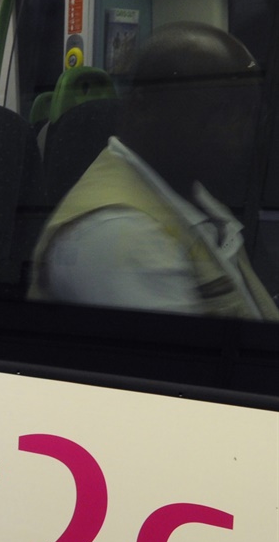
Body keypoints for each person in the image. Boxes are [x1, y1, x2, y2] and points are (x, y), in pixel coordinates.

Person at [29, 22, 279, 320]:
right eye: (219, 113)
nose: (239, 132)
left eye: (248, 115)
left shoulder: (190, 192)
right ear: (143, 107)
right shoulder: (119, 234)